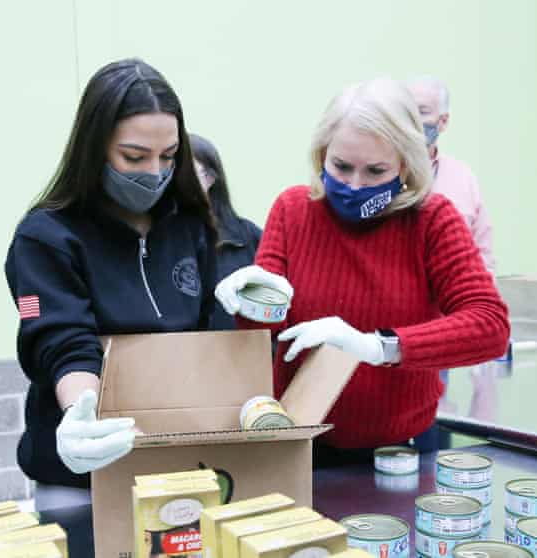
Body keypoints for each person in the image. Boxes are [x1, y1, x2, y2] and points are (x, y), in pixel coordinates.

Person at [215, 78, 509, 467]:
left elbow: (489, 327)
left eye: (375, 170)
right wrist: (249, 300)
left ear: (406, 163)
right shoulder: (293, 211)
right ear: (322, 154)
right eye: (341, 166)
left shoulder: (431, 221)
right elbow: (268, 329)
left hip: (401, 450)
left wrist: (378, 347)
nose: (355, 185)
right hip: (302, 442)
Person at [5, 59, 218, 511]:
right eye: (134, 157)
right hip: (80, 477)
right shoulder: (45, 237)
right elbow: (62, 339)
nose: (155, 172)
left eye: (169, 155)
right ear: (94, 147)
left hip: (176, 463)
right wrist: (82, 416)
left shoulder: (189, 226)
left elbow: (206, 339)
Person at [407, 76, 495, 273]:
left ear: (443, 121)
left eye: (422, 111)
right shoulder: (377, 172)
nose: (412, 120)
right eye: (406, 111)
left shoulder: (463, 178)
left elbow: (483, 257)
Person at [190, 133, 261, 330]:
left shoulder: (248, 238)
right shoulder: (151, 239)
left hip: (241, 355)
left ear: (210, 179)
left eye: (188, 173)